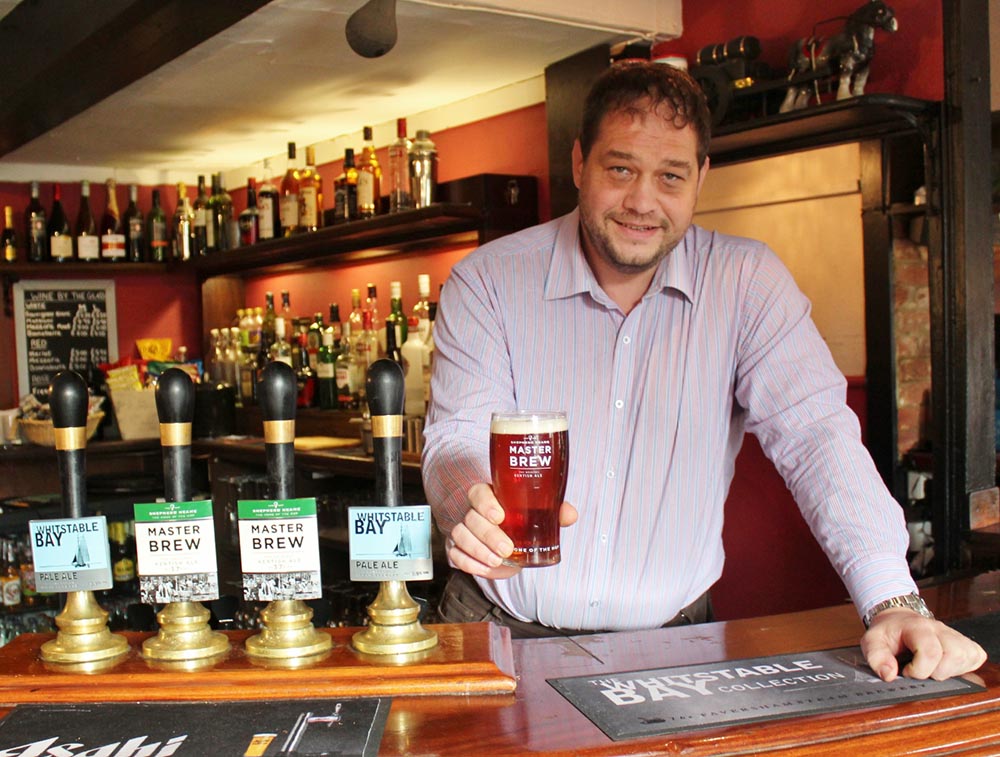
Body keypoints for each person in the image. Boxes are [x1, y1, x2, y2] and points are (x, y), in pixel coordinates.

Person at [421, 60, 986, 682]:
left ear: (701, 178)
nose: (642, 200)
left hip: (672, 647)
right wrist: (467, 511)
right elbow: (457, 436)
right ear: (580, 162)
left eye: (671, 175)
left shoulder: (746, 282)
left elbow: (817, 435)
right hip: (491, 628)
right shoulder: (489, 279)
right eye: (620, 168)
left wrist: (892, 599)